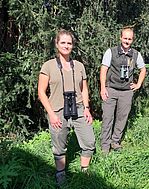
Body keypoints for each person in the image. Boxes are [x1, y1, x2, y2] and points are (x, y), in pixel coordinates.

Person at [38, 29, 96, 184]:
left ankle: (84, 171)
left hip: (78, 108)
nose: (66, 46)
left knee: (89, 142)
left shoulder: (79, 66)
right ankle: (61, 174)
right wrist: (51, 114)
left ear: (73, 46)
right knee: (59, 147)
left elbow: (84, 89)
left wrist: (86, 108)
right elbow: (41, 92)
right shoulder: (48, 66)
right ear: (57, 44)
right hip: (57, 110)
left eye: (69, 43)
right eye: (62, 42)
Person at [100, 27, 146, 154]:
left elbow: (143, 69)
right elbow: (103, 69)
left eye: (129, 39)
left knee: (122, 118)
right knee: (107, 118)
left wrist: (138, 84)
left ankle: (115, 142)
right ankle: (105, 146)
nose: (127, 41)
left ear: (132, 40)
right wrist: (103, 88)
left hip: (126, 92)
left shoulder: (136, 54)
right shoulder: (111, 52)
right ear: (120, 38)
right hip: (111, 90)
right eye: (125, 38)